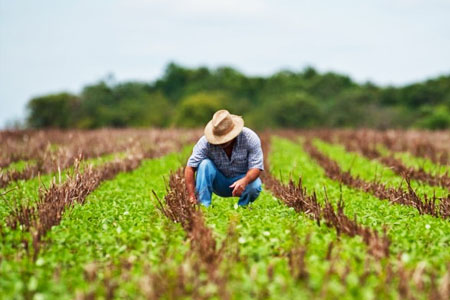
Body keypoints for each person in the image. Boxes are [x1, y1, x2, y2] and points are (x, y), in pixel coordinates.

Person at [185, 109, 264, 207]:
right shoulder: (205, 142)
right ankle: (203, 207)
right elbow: (190, 167)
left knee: (255, 185)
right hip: (219, 182)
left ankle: (242, 208)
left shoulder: (250, 138)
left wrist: (245, 180)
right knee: (205, 164)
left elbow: (256, 167)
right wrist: (191, 196)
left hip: (242, 180)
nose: (222, 142)